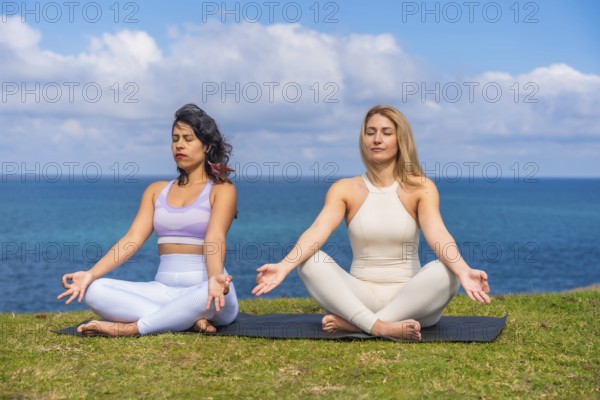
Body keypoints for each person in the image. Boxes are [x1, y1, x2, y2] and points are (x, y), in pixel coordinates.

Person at [252, 105, 491, 341]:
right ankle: (380, 327)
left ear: (401, 139)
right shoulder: (344, 189)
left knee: (447, 270)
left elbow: (437, 232)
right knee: (310, 261)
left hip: (413, 301)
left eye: (386, 132)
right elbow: (318, 229)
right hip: (360, 296)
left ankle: (358, 324)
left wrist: (464, 270)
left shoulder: (421, 187)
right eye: (370, 132)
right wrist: (284, 266)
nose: (377, 139)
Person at [57, 104, 239, 337]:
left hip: (205, 289)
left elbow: (215, 237)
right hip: (162, 290)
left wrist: (215, 279)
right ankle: (184, 320)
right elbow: (132, 239)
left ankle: (134, 328)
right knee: (93, 290)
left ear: (207, 146)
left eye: (188, 139)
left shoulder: (222, 189)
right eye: (175, 139)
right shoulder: (156, 191)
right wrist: (91, 274)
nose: (179, 145)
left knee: (211, 294)